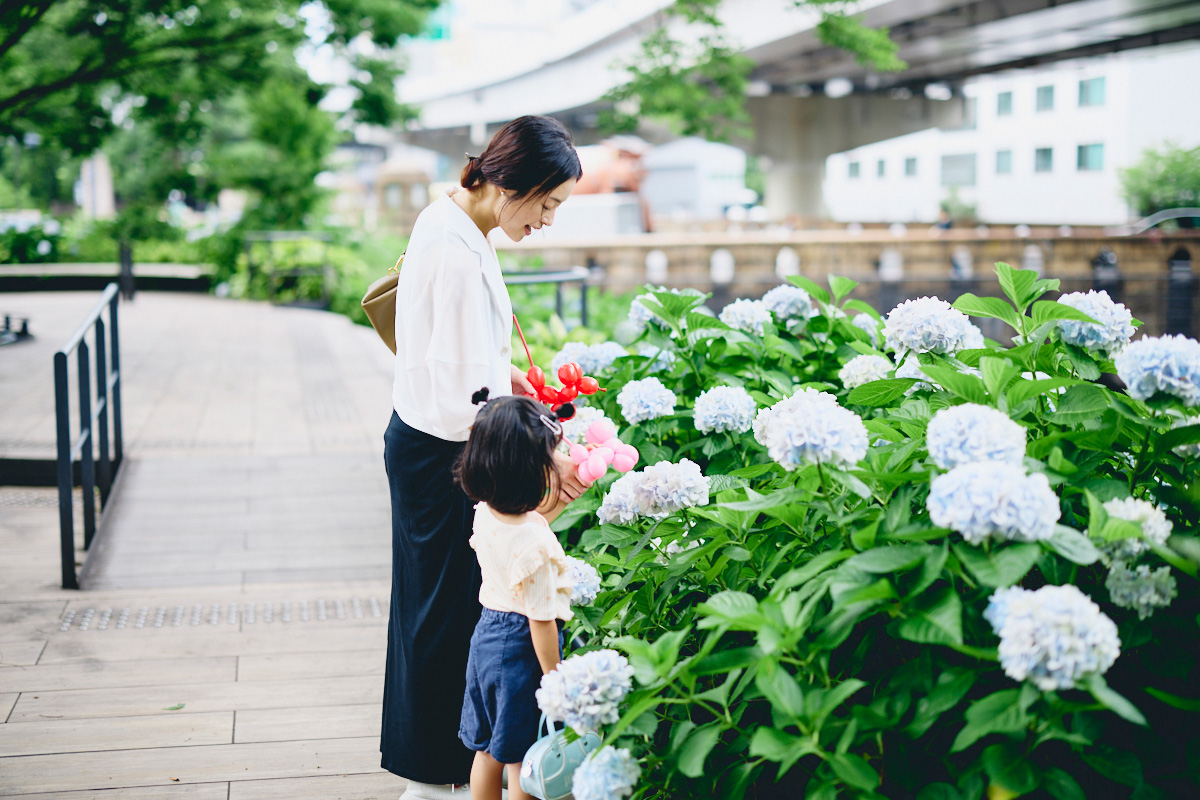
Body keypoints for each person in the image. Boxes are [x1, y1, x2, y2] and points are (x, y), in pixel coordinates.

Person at [381, 115, 586, 799]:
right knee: (446, 621)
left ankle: (432, 774)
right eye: (548, 203)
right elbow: (467, 395)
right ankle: (430, 779)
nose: (549, 221)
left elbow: (463, 362)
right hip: (446, 453)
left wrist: (510, 383)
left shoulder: (455, 222)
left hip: (433, 441)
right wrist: (544, 451)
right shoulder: (458, 251)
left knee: (439, 615)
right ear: (515, 185)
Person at [454, 391, 575, 800]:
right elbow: (541, 619)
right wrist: (554, 678)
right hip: (521, 645)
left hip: (486, 637)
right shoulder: (536, 546)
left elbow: (527, 528)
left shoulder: (485, 509)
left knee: (488, 747)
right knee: (523, 757)